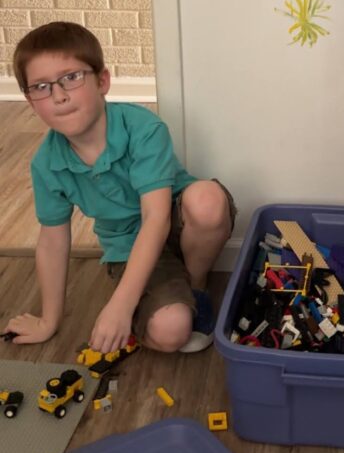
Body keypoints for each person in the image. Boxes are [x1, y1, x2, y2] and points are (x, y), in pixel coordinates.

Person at [5, 21, 236, 356]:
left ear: (103, 81)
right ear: (29, 101)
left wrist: (120, 306)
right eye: (41, 86)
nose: (59, 95)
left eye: (71, 77)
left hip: (171, 219)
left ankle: (195, 285)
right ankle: (168, 300)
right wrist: (48, 320)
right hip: (129, 246)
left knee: (207, 200)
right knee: (172, 333)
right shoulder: (46, 164)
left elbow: (156, 217)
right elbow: (53, 240)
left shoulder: (143, 128)